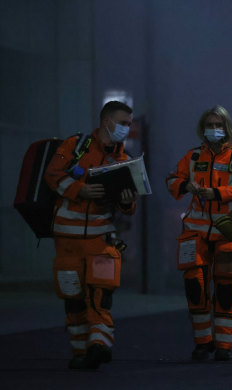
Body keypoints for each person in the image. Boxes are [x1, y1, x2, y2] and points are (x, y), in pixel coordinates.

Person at [44, 100, 138, 369]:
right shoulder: (75, 144)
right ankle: (80, 351)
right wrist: (79, 190)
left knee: (100, 295)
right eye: (122, 122)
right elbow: (52, 175)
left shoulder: (125, 160)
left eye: (129, 124)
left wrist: (127, 201)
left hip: (102, 238)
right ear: (105, 121)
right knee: (73, 298)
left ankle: (99, 344)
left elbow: (129, 209)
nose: (125, 128)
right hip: (68, 240)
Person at [166, 105, 232, 361]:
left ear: (226, 128)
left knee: (226, 291)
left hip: (228, 231)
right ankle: (203, 342)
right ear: (202, 128)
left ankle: (224, 346)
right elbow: (171, 180)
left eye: (219, 125)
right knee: (195, 288)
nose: (214, 130)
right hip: (196, 230)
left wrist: (216, 193)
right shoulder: (193, 157)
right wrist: (185, 185)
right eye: (210, 125)